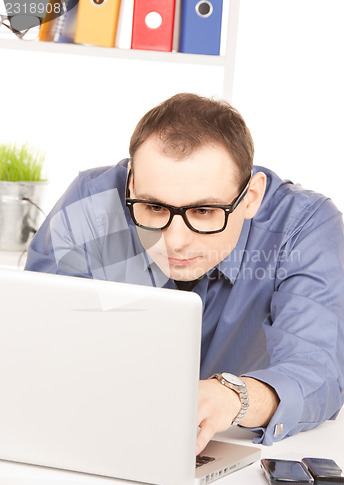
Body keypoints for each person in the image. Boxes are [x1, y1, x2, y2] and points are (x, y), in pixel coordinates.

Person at [25, 93, 344, 454]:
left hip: (231, 452)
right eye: (153, 206)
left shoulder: (305, 227)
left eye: (205, 211)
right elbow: (35, 343)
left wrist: (232, 397)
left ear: (251, 196)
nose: (174, 242)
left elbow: (318, 372)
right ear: (130, 184)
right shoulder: (92, 203)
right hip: (93, 437)